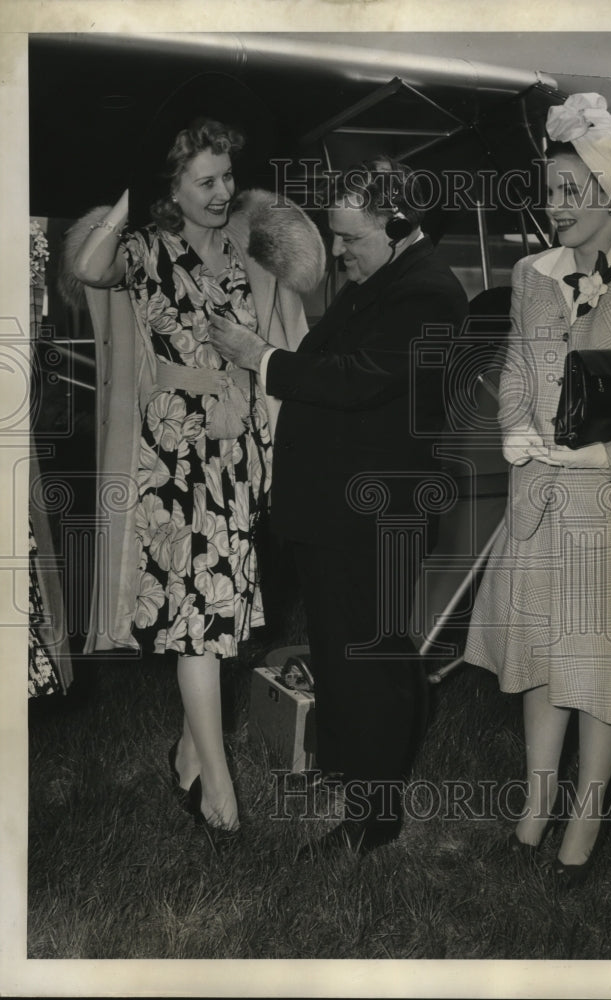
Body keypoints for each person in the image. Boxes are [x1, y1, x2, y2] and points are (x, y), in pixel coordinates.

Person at [464, 93, 611, 886]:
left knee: (599, 671)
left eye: (572, 191)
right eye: (550, 189)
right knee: (539, 658)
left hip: (609, 512)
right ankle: (536, 806)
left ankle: (586, 820)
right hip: (535, 501)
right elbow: (514, 370)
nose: (555, 205)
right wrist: (511, 431)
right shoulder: (531, 276)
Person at [69, 77, 324, 835]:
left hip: (237, 452)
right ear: (172, 186)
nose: (222, 192)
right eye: (205, 181)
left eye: (227, 178)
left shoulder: (249, 256)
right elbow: (86, 267)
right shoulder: (145, 250)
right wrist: (124, 199)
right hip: (177, 460)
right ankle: (218, 788)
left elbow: (280, 338)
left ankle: (187, 756)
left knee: (226, 615)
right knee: (199, 626)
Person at [209, 156, 469, 855]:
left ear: (401, 224)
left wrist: (258, 357)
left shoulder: (427, 293)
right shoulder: (379, 278)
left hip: (375, 516)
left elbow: (351, 382)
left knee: (370, 662)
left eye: (352, 238)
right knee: (350, 655)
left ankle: (374, 816)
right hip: (340, 512)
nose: (340, 252)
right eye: (337, 235)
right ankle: (359, 778)